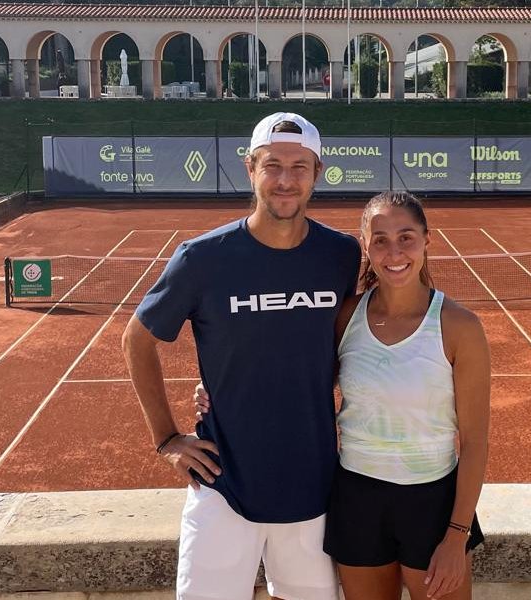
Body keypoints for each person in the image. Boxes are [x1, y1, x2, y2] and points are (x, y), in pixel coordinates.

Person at [198, 192, 492, 599]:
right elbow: (301, 378)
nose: (394, 252)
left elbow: (475, 443)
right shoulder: (346, 316)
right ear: (366, 246)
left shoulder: (460, 326)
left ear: (427, 240)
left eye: (406, 237)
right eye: (380, 240)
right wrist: (220, 388)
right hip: (357, 499)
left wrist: (456, 536)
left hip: (432, 502)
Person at [123, 112, 362, 600]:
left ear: (317, 173)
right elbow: (137, 340)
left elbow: (340, 346)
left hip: (313, 484)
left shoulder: (341, 255)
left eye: (299, 167)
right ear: (250, 168)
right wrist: (167, 438)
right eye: (272, 165)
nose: (285, 180)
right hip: (222, 485)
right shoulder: (201, 258)